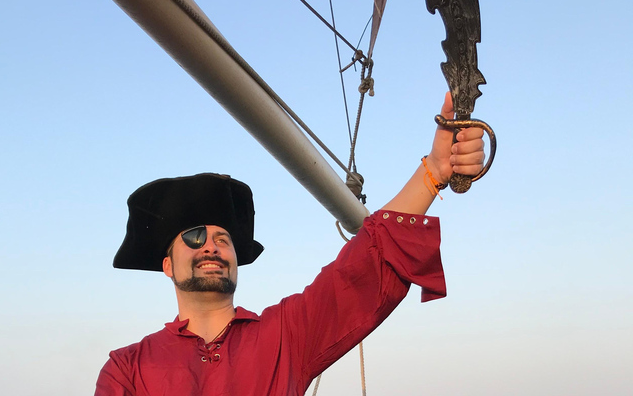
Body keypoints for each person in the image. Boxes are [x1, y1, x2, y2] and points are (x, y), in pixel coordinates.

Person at [95, 94, 486, 395]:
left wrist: (435, 169)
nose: (211, 246)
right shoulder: (127, 367)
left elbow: (362, 268)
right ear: (168, 265)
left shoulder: (285, 336)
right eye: (195, 237)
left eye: (223, 238)